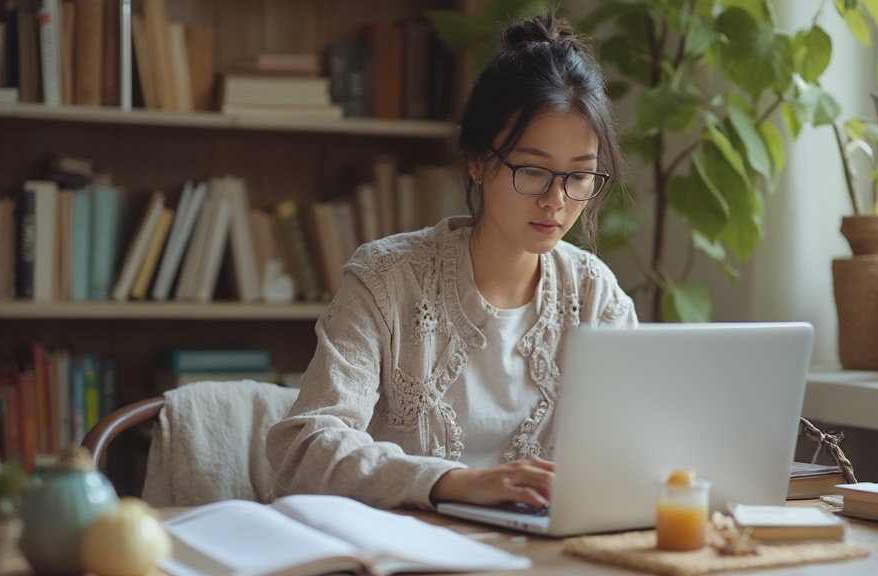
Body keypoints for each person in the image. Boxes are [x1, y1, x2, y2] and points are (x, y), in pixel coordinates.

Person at [266, 12, 638, 511]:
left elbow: (637, 449)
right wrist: (452, 482)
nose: (556, 199)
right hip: (401, 552)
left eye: (580, 176)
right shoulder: (387, 280)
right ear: (477, 162)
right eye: (532, 170)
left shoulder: (597, 296)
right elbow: (303, 448)